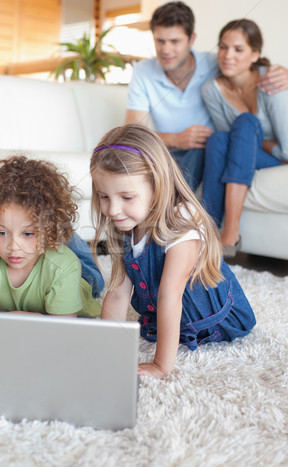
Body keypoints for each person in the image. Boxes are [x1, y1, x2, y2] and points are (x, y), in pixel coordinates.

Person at [90, 123, 255, 378]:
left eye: (126, 197)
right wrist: (102, 349)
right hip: (164, 316)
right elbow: (118, 294)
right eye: (104, 197)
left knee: (170, 298)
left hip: (213, 320)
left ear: (157, 186)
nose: (112, 210)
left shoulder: (182, 222)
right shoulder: (126, 224)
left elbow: (170, 296)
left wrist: (161, 366)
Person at [125, 1, 288, 191]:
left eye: (175, 41)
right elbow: (132, 132)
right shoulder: (143, 71)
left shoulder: (216, 63)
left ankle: (175, 205)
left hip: (207, 151)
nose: (166, 50)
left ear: (191, 39)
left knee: (208, 145)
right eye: (160, 41)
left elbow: (250, 70)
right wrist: (176, 139)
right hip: (165, 154)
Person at [0, 155, 101, 318]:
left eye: (27, 234)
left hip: (84, 276)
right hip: (44, 251)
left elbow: (61, 329)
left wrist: (15, 317)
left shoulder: (65, 266)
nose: (14, 247)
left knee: (79, 260)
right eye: (1, 233)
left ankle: (66, 237)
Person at [201, 19, 288, 256]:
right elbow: (228, 141)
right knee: (217, 139)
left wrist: (252, 140)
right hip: (242, 156)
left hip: (284, 161)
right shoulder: (212, 89)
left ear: (255, 54)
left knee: (246, 122)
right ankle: (206, 231)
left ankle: (231, 230)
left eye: (239, 49)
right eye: (223, 47)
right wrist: (246, 142)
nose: (228, 55)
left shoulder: (272, 80)